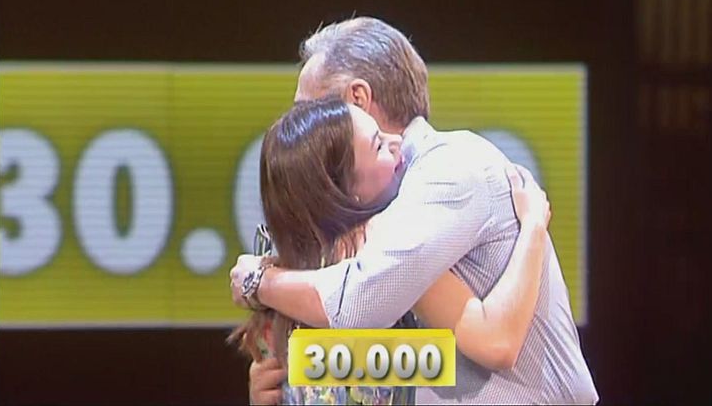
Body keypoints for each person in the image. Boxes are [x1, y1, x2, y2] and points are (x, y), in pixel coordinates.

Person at [232, 16, 598, 404]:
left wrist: (261, 282)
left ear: (358, 99)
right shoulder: (375, 226)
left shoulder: (449, 169)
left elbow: (361, 303)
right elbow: (422, 363)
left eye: (310, 108)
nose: (302, 125)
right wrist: (291, 382)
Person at [230, 96, 551, 405]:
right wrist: (533, 227)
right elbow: (495, 341)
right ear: (344, 190)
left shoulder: (284, 275)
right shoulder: (384, 252)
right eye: (379, 145)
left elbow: (423, 363)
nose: (398, 142)